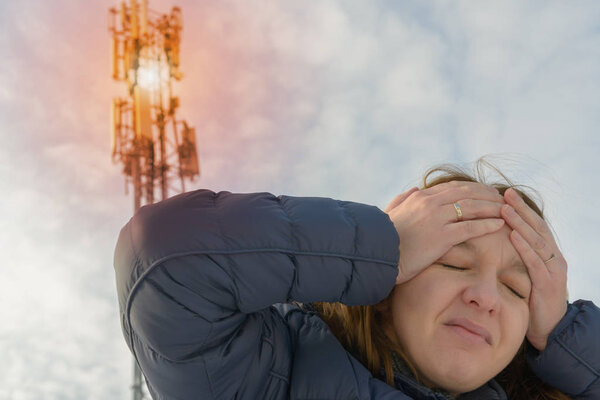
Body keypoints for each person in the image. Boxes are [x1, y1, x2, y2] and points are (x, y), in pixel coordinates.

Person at [113, 160, 599, 399]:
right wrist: (379, 245)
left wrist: (563, 336)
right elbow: (165, 259)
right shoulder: (268, 374)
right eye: (453, 263)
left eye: (517, 289)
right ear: (389, 285)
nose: (487, 297)